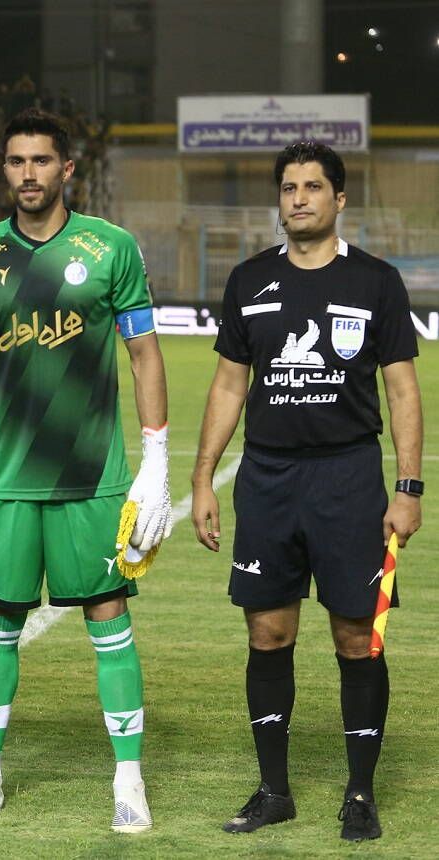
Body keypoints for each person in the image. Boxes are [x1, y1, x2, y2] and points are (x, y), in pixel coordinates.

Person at [0, 109, 169, 831]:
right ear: (1, 170)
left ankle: (127, 782)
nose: (28, 174)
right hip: (5, 479)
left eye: (41, 161)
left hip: (92, 475)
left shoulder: (109, 249)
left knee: (108, 618)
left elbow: (143, 353)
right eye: (15, 162)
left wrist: (156, 456)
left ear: (66, 169)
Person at [190, 141, 422, 842]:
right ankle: (272, 790)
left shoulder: (375, 282)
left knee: (357, 637)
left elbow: (402, 388)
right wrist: (202, 476)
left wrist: (406, 486)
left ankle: (359, 792)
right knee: (267, 631)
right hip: (265, 479)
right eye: (288, 187)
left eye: (312, 187)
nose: (297, 198)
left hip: (349, 479)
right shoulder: (248, 279)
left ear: (338, 199)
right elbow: (230, 383)